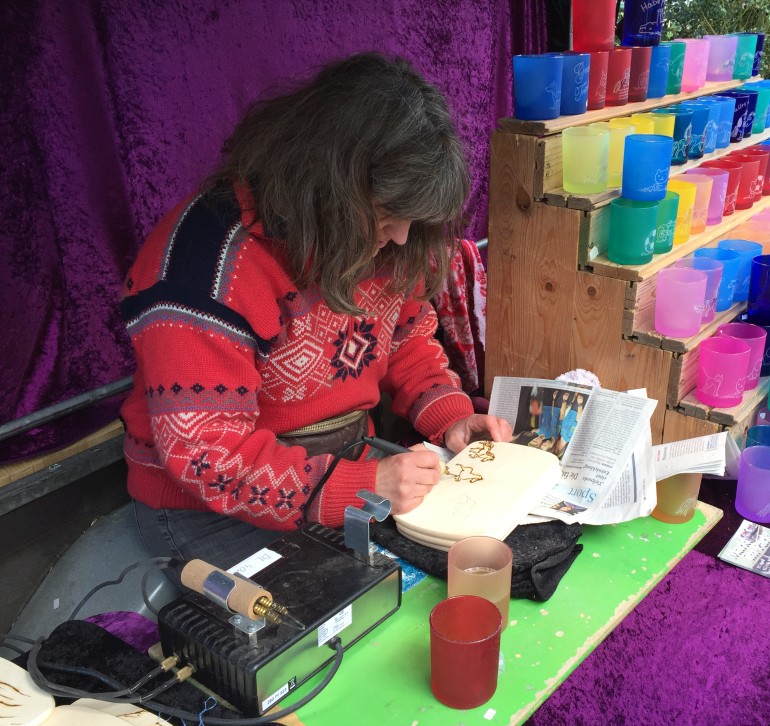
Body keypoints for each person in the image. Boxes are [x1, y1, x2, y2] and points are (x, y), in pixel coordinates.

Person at [119, 53, 510, 569]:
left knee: (472, 561)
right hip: (208, 510)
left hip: (347, 467)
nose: (401, 237)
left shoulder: (385, 239)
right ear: (328, 188)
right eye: (388, 216)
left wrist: (452, 417)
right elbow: (207, 457)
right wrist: (360, 485)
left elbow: (405, 339)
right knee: (349, 607)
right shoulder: (204, 269)